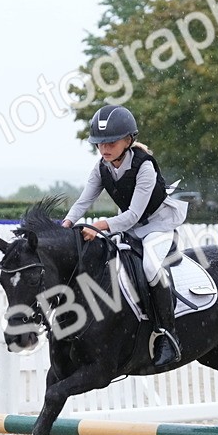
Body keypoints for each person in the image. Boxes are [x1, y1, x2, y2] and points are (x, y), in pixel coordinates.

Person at [61, 104, 187, 367]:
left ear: (129, 140)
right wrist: (65, 224)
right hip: (129, 228)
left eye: (111, 142)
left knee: (151, 267)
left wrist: (99, 227)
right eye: (99, 143)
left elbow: (132, 215)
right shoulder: (101, 168)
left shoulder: (145, 167)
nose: (104, 148)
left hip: (157, 226)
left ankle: (167, 334)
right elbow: (84, 201)